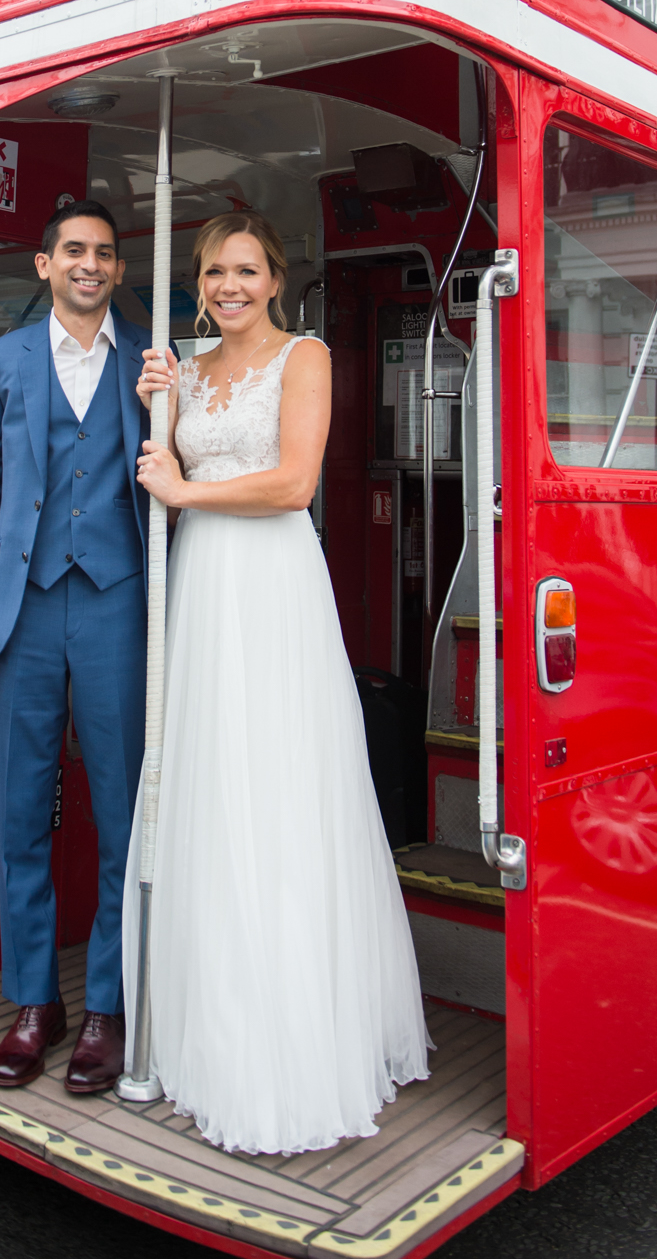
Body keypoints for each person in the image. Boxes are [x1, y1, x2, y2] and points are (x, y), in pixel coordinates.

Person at [126, 209, 430, 1155]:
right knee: (209, 792)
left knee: (278, 792)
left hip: (273, 585)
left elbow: (294, 483)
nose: (228, 287)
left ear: (275, 277)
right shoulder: (187, 364)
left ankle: (293, 1039)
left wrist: (183, 492)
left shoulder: (305, 357)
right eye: (214, 271)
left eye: (245, 270)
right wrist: (157, 419)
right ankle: (206, 1026)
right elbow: (161, 467)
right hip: (203, 586)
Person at [0, 201, 149, 1097]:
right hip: (21, 609)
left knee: (120, 813)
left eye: (103, 253)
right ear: (43, 263)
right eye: (73, 250)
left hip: (116, 606)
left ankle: (105, 1003)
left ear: (116, 266)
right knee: (23, 811)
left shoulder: (149, 359)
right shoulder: (5, 361)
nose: (89, 264)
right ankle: (34, 1003)